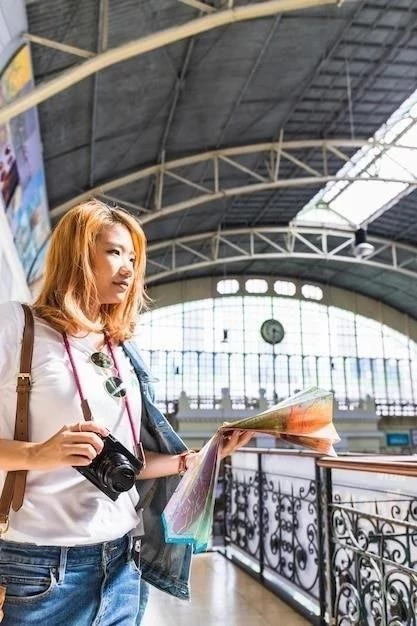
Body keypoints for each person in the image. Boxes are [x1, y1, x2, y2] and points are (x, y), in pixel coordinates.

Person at [0, 199, 251, 625]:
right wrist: (37, 455)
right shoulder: (18, 328)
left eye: (134, 257)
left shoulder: (120, 350)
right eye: (114, 252)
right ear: (78, 255)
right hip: (38, 569)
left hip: (122, 562)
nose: (129, 268)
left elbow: (127, 463)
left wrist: (195, 459)